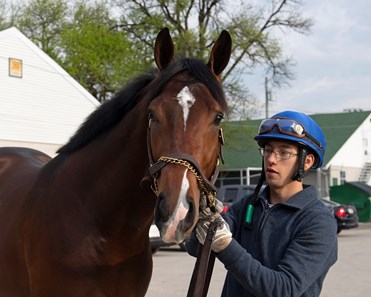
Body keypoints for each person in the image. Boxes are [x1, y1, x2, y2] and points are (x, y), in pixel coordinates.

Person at [186, 110, 338, 297]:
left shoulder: (318, 222)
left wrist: (225, 244)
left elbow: (284, 289)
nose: (272, 159)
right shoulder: (247, 206)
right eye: (268, 150)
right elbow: (196, 250)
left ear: (307, 161)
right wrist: (199, 217)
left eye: (284, 152)